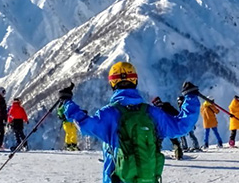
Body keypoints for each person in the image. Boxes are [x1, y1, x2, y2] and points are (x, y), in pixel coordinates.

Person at [56, 61, 201, 183]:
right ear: (135, 81)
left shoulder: (109, 114)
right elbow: (182, 126)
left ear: (113, 83)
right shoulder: (152, 113)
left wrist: (67, 103)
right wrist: (190, 98)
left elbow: (84, 124)